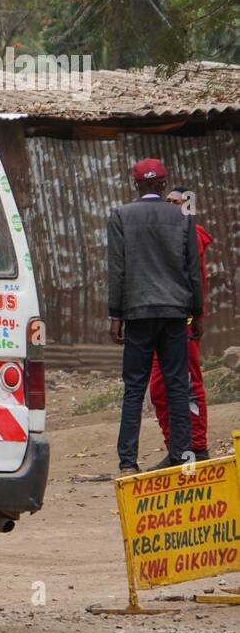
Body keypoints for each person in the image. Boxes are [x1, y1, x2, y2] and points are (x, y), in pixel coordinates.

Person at [108, 159, 204, 475]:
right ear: (163, 185)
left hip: (137, 312)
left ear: (136, 184)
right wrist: (198, 312)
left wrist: (115, 314)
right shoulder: (183, 216)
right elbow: (192, 268)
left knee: (134, 387)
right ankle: (182, 456)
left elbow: (118, 270)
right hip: (175, 313)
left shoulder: (121, 215)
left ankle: (127, 462)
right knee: (178, 385)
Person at [147, 187, 212, 459]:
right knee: (159, 389)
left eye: (177, 202)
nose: (171, 206)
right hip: (161, 320)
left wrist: (196, 316)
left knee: (186, 384)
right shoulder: (168, 236)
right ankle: (176, 448)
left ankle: (196, 447)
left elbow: (195, 281)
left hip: (182, 321)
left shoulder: (191, 237)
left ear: (188, 207)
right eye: (168, 201)